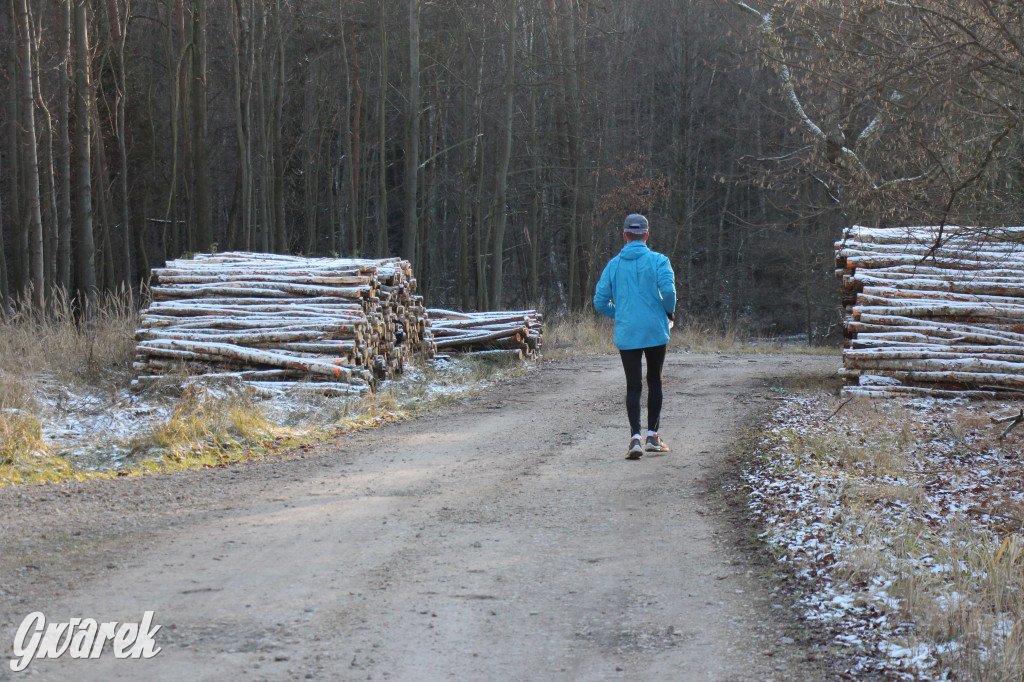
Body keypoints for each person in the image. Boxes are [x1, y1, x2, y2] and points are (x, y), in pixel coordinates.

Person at [593, 213, 676, 460]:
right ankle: (653, 436)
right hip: (655, 330)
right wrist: (667, 312)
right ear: (647, 235)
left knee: (633, 384)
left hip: (628, 331)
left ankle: (634, 439)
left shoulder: (614, 265)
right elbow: (669, 291)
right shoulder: (659, 260)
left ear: (625, 236)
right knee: (655, 380)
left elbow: (599, 301)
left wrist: (620, 314)